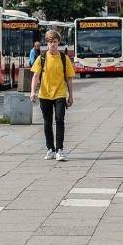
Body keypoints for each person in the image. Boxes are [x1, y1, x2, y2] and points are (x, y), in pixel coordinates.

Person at [30, 30, 75, 161]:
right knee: (47, 123)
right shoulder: (42, 58)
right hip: (44, 94)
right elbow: (36, 76)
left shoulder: (64, 58)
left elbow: (69, 78)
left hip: (60, 94)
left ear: (58, 42)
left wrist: (70, 95)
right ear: (47, 43)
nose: (52, 45)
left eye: (54, 42)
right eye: (50, 42)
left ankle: (59, 149)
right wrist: (33, 91)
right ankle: (50, 149)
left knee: (60, 120)